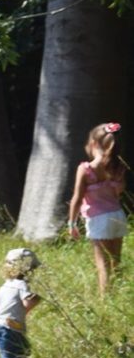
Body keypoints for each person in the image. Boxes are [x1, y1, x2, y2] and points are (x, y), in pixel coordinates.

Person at [67, 122, 127, 296]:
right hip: (117, 215)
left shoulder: (85, 169)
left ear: (93, 144)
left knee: (103, 266)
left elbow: (77, 198)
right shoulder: (118, 167)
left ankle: (104, 300)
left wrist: (72, 223)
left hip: (99, 219)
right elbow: (119, 191)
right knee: (116, 261)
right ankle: (119, 294)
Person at [0, 248, 42, 358]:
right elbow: (28, 302)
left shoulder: (5, 285)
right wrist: (37, 299)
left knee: (24, 350)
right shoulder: (21, 285)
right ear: (28, 270)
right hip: (9, 328)